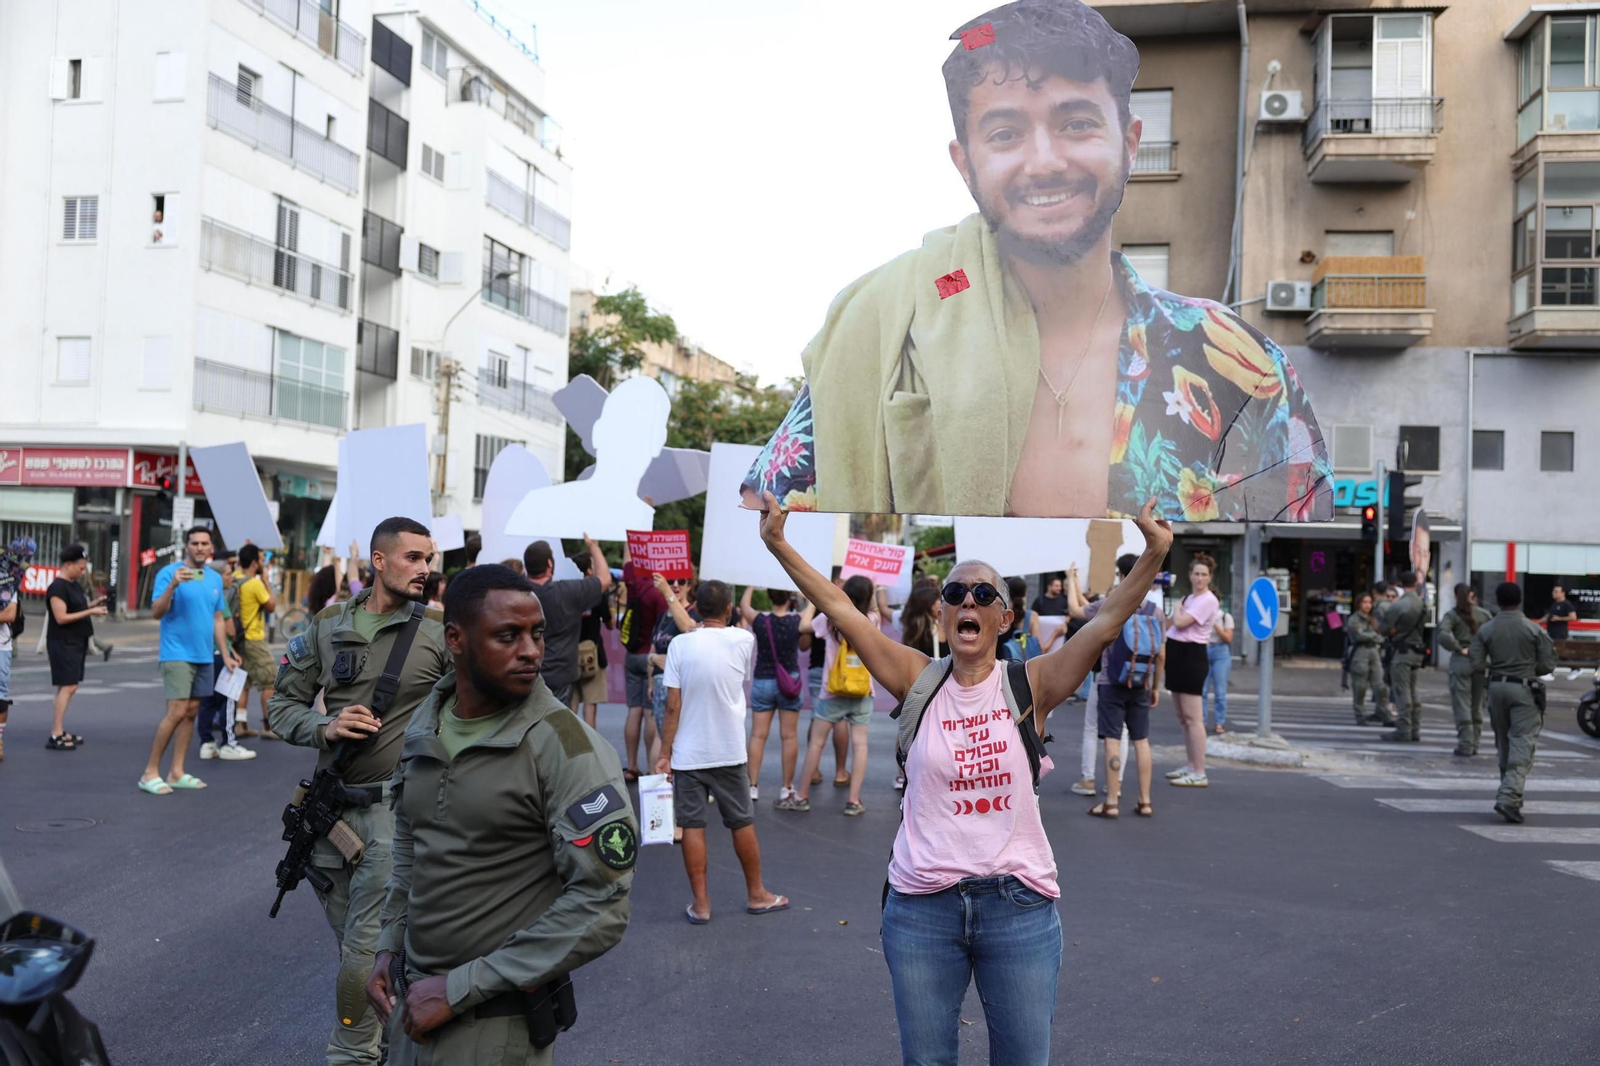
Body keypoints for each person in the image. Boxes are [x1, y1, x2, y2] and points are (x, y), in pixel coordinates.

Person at [741, 1, 1333, 521]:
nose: (1044, 161)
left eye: (1076, 123)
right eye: (1004, 133)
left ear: (1129, 143)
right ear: (964, 162)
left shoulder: (1239, 365)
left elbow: (1300, 525)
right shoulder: (891, 327)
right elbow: (762, 520)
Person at [759, 489, 1170, 1065]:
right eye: (955, 594)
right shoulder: (916, 677)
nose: (967, 601)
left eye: (983, 594)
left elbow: (1103, 624)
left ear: (1004, 617)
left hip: (1018, 907)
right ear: (942, 613)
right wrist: (778, 543)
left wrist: (1154, 552)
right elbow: (841, 609)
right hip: (922, 908)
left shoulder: (1033, 685)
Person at [368, 564, 635, 1065]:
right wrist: (389, 943)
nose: (532, 650)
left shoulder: (566, 748)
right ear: (456, 639)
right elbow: (412, 841)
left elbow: (604, 904)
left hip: (496, 1027)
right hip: (413, 1009)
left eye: (537, 633)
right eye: (508, 636)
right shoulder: (429, 718)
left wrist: (460, 988)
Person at [268, 517, 451, 1066]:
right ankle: (399, 1043)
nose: (425, 569)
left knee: (363, 951)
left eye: (428, 559)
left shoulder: (440, 634)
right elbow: (281, 707)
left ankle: (351, 1055)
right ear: (378, 560)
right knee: (363, 948)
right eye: (414, 558)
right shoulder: (326, 627)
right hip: (331, 821)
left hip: (395, 818)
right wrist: (325, 727)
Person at [655, 580, 788, 923]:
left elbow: (673, 706)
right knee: (741, 821)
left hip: (688, 752)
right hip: (729, 750)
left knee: (692, 825)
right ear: (729, 609)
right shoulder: (743, 640)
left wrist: (665, 752)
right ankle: (757, 894)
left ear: (696, 607)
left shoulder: (679, 647)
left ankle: (701, 905)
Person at [139, 530, 238, 791]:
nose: (200, 548)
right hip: (177, 653)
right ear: (187, 547)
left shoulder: (214, 578)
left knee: (192, 712)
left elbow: (218, 619)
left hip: (204, 655)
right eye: (195, 543)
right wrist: (173, 585)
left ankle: (176, 771)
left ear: (211, 548)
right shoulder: (168, 573)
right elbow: (157, 612)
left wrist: (225, 655)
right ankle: (150, 773)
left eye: (204, 543)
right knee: (177, 711)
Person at [781, 575, 878, 815]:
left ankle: (802, 796)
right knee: (861, 744)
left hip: (831, 692)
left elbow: (803, 626)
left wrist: (815, 602)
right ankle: (854, 800)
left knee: (816, 743)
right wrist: (873, 591)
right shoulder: (871, 619)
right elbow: (875, 608)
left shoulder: (831, 619)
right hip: (862, 692)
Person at [1076, 555, 1162, 816]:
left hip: (1111, 681)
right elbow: (1162, 653)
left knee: (1112, 738)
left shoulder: (1113, 605)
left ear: (1124, 577)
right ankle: (1145, 801)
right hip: (1142, 681)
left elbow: (1079, 615)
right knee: (1141, 740)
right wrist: (1155, 686)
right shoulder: (1155, 611)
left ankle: (1111, 802)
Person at [1470, 582, 1556, 824]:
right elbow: (1548, 664)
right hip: (1524, 688)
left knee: (1504, 742)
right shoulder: (1533, 629)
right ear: (1520, 600)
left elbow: (1476, 663)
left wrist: (1496, 670)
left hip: (1496, 688)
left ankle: (1511, 796)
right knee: (1522, 741)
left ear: (1497, 601)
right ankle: (1509, 797)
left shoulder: (1487, 628)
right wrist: (1527, 669)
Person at [741, 587, 815, 804]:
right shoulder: (797, 622)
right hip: (788, 683)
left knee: (757, 735)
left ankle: (752, 786)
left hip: (763, 680)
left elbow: (745, 606)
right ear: (788, 597)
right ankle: (786, 787)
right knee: (789, 737)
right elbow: (813, 605)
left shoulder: (760, 621)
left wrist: (751, 586)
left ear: (770, 596)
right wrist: (803, 595)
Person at [523, 537, 610, 709]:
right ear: (550, 564)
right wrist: (593, 546)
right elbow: (605, 580)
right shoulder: (569, 592)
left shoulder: (517, 594)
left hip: (526, 674)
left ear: (527, 567)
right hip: (561, 676)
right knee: (558, 729)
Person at [1163, 554, 1219, 786]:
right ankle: (1190, 764)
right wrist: (1176, 612)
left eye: (1204, 574)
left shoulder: (1208, 600)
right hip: (1177, 653)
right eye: (1196, 573)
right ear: (1190, 575)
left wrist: (1177, 610)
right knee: (1183, 717)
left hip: (1192, 656)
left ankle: (1200, 771)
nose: (1199, 578)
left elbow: (1180, 623)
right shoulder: (1188, 598)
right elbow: (1169, 623)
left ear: (1210, 577)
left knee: (1194, 718)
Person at [43, 545, 103, 752]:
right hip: (63, 641)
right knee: (68, 686)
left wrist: (94, 604)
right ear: (68, 565)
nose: (82, 572)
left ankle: (59, 730)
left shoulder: (74, 585)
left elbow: (77, 608)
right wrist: (90, 612)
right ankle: (56, 733)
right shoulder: (57, 588)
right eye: (80, 567)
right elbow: (61, 617)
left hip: (77, 641)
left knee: (68, 686)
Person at [618, 548, 668, 782]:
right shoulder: (660, 591)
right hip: (652, 656)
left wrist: (632, 540)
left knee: (633, 710)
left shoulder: (633, 580)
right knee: (650, 713)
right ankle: (650, 768)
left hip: (631, 655)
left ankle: (632, 766)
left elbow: (627, 560)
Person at [196, 564, 253, 763]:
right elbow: (228, 629)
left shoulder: (199, 595)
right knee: (228, 698)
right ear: (217, 577)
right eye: (228, 574)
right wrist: (230, 650)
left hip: (202, 653)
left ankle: (206, 742)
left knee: (206, 700)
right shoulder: (218, 597)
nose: (231, 578)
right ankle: (229, 743)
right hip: (220, 653)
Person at [234, 544, 281, 741]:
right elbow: (271, 606)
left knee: (244, 683)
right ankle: (268, 726)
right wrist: (267, 582)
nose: (263, 563)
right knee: (270, 681)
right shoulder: (254, 584)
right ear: (254, 563)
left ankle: (241, 725)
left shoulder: (235, 579)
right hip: (254, 639)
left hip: (238, 639)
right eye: (261, 560)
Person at [1440, 584, 1492, 757]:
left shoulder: (1453, 615)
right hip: (1481, 662)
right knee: (1477, 705)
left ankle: (1465, 744)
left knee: (1462, 704)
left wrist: (1457, 647)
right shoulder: (1484, 614)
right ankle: (1475, 743)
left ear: (1455, 596)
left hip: (1461, 661)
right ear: (1472, 594)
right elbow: (1493, 636)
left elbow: (1442, 634)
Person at [1383, 570, 1427, 743]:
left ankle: (1403, 730)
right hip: (1417, 651)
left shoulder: (1398, 605)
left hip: (1401, 652)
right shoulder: (1422, 604)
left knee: (1402, 692)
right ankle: (1415, 729)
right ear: (1416, 583)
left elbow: (1386, 628)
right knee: (1414, 692)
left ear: (1401, 584)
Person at [571, 552, 611, 728]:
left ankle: (567, 748)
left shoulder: (565, 592)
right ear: (588, 570)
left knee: (569, 706)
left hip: (569, 652)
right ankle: (590, 747)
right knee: (590, 705)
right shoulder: (598, 594)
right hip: (593, 654)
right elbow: (609, 624)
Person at [1346, 592, 1392, 727]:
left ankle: (1383, 713)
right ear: (1359, 604)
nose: (1367, 605)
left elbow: (1381, 635)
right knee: (1360, 687)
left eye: (1370, 602)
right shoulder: (1354, 619)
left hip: (1374, 653)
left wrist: (1375, 637)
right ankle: (1360, 715)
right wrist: (1375, 636)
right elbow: (1360, 635)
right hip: (1360, 654)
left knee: (1380, 686)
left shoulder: (1373, 619)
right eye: (1364, 602)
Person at [1203, 600, 1234, 735]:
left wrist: (1214, 624)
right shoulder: (1202, 615)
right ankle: (1201, 722)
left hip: (1221, 653)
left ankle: (1219, 722)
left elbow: (1228, 638)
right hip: (1205, 649)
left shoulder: (1225, 616)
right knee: (1202, 691)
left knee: (1220, 692)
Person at [75, 561, 114, 662]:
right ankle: (103, 647)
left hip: (80, 599)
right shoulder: (83, 570)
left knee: (80, 627)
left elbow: (82, 585)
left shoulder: (80, 571)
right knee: (81, 628)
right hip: (83, 598)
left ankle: (104, 646)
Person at [1000, 576, 1045, 661]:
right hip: (1023, 668)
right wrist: (1056, 634)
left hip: (1003, 666)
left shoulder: (1004, 616)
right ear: (1025, 593)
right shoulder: (1031, 616)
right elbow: (1040, 649)